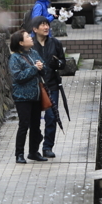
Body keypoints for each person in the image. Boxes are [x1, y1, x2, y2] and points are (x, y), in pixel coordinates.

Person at [8, 29, 48, 164]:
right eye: (27, 36)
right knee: (24, 125)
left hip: (36, 95)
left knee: (36, 125)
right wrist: (34, 69)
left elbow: (44, 69)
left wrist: (42, 67)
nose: (31, 37)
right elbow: (18, 77)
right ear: (20, 42)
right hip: (22, 97)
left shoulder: (34, 53)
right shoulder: (15, 58)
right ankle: (19, 154)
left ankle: (33, 152)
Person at [30, 15, 66, 158]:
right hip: (35, 86)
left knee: (51, 117)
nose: (46, 27)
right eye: (42, 25)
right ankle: (34, 150)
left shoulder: (55, 43)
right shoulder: (30, 44)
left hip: (51, 85)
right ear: (35, 29)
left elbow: (63, 62)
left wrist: (57, 64)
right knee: (35, 119)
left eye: (47, 24)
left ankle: (47, 147)